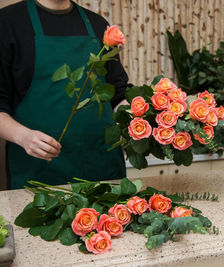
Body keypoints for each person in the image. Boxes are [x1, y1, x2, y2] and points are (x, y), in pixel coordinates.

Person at [0, 0, 129, 189]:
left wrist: (140, 117)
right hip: (39, 172)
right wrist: (23, 137)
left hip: (102, 168)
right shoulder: (8, 22)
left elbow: (118, 94)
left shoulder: (97, 25)